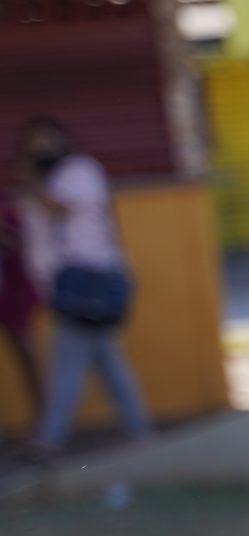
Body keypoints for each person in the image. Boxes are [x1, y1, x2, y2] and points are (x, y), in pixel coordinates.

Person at [18, 117, 149, 460]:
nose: (42, 150)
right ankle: (139, 430)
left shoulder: (80, 172)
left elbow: (57, 208)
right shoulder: (50, 179)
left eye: (48, 143)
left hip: (89, 281)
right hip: (69, 284)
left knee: (68, 361)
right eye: (36, 144)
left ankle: (51, 438)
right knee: (107, 360)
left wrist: (32, 178)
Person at [0, 194, 39, 436]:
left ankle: (45, 422)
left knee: (27, 357)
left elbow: (20, 245)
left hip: (12, 295)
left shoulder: (7, 210)